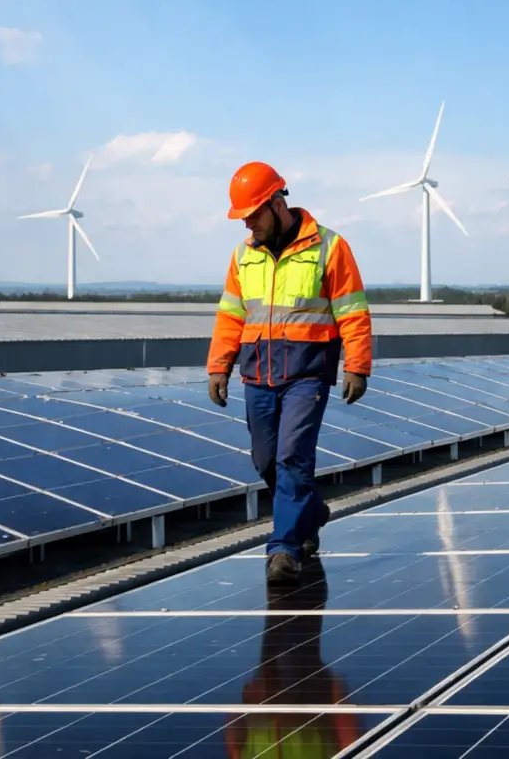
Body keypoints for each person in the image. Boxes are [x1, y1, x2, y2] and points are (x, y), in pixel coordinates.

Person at [207, 161, 373, 585]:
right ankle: (311, 511)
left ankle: (284, 549)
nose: (248, 224)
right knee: (266, 461)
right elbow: (230, 316)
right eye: (243, 217)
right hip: (257, 374)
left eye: (252, 215)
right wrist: (218, 366)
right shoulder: (244, 256)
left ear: (277, 203)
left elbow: (352, 312)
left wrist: (357, 364)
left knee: (292, 458)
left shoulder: (329, 247)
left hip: (307, 374)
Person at [223, 558, 363, 757]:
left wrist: (243, 707)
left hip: (268, 705)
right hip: (307, 703)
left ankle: (288, 559)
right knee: (299, 630)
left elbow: (235, 744)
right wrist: (336, 696)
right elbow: (349, 741)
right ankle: (299, 558)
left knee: (279, 625)